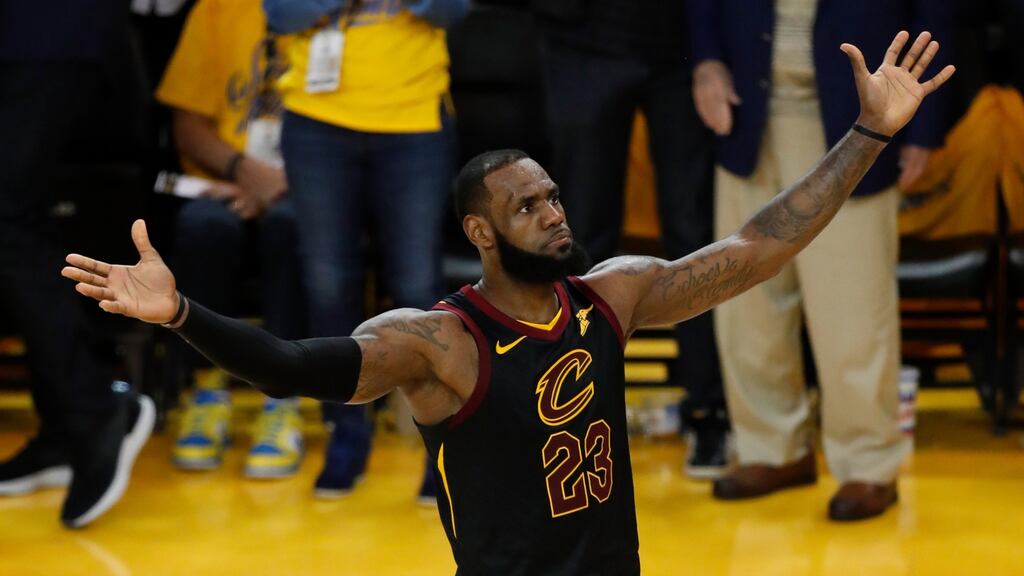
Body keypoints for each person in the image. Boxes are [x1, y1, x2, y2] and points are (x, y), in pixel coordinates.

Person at [63, 32, 952, 572]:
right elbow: (298, 368)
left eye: (555, 197)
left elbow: (764, 244)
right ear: (481, 234)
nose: (555, 213)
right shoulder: (438, 343)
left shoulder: (615, 293)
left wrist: (869, 133)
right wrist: (182, 315)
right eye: (528, 207)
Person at [688, 0, 954, 521]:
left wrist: (921, 125)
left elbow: (936, 8)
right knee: (747, 302)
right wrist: (706, 59)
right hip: (748, 110)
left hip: (860, 116)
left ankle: (868, 464)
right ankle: (772, 449)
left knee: (854, 304)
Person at [262, 0, 467, 500]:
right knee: (328, 284)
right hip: (316, 120)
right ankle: (347, 435)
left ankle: (440, 445)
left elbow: (452, 10)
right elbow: (282, 13)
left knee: (417, 287)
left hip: (415, 117)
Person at [535, 0, 728, 478]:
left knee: (693, 235)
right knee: (577, 238)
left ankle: (708, 410)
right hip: (581, 42)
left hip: (681, 43)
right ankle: (576, 409)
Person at [0, 2, 155, 529]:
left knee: (8, 218)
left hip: (47, 31)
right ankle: (66, 427)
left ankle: (94, 410)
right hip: (47, 35)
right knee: (25, 222)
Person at [155, 0, 308, 479]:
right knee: (204, 228)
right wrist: (244, 173)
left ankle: (284, 398)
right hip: (222, 180)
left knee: (294, 227)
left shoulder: (333, 10)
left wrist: (282, 185)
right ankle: (205, 390)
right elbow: (187, 125)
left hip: (309, 183)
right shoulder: (216, 9)